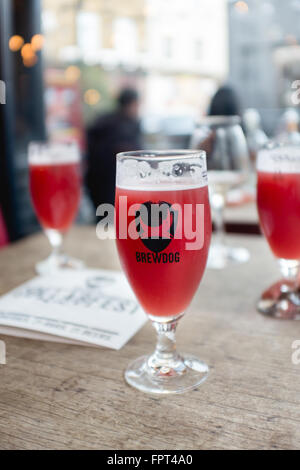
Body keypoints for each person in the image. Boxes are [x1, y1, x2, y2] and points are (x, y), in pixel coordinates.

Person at [86, 88, 142, 211]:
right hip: (112, 184)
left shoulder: (103, 120)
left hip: (95, 182)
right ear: (131, 104)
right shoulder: (125, 125)